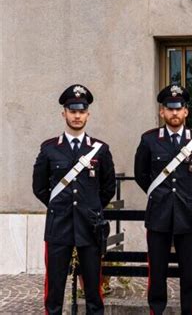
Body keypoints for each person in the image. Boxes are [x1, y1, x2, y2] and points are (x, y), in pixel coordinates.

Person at [32, 84, 116, 315]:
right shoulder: (49, 149)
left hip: (90, 227)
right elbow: (39, 187)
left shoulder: (100, 150)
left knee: (93, 291)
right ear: (64, 114)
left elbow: (108, 187)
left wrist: (90, 208)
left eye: (81, 111)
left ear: (88, 114)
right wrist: (58, 208)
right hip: (59, 227)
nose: (77, 116)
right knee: (54, 289)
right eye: (72, 111)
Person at [134, 84, 192, 315]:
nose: (174, 113)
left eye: (179, 108)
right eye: (170, 109)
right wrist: (158, 195)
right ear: (162, 112)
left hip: (188, 217)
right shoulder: (149, 140)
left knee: (189, 273)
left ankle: (190, 311)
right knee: (157, 272)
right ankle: (156, 311)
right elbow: (141, 174)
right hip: (159, 215)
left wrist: (191, 199)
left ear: (186, 111)